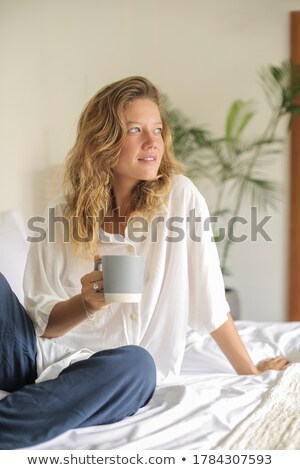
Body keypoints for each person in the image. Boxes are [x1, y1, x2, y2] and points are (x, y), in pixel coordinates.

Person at [0, 76, 288, 450]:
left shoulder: (180, 198)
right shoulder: (59, 214)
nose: (153, 142)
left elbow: (210, 302)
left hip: (114, 373)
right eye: (135, 130)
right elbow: (43, 326)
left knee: (138, 365)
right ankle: (49, 403)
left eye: (157, 129)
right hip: (33, 358)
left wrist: (250, 372)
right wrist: (87, 303)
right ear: (103, 141)